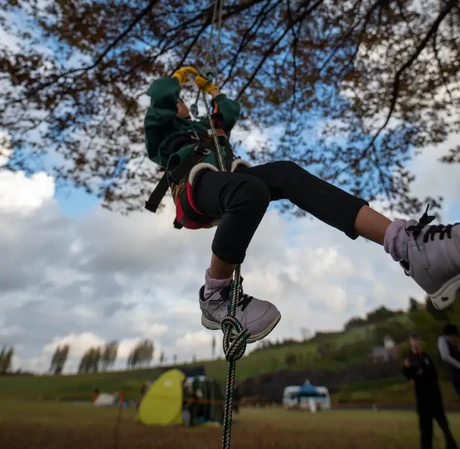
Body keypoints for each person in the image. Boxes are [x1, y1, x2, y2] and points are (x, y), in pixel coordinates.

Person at [144, 67, 460, 342]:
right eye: (178, 102)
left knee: (286, 173)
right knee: (250, 190)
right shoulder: (162, 130)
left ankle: (406, 244)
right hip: (195, 185)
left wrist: (212, 90)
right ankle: (216, 294)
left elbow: (229, 109)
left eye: (182, 100)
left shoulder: (210, 128)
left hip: (233, 180)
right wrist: (178, 78)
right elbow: (160, 95)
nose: (180, 103)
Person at [404, 333, 457, 449]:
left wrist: (419, 373)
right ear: (410, 343)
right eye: (413, 340)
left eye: (417, 340)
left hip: (434, 397)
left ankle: (451, 446)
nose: (415, 342)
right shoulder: (409, 359)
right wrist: (415, 372)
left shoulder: (427, 356)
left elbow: (431, 374)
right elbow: (409, 374)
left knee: (444, 425)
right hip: (422, 399)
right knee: (425, 429)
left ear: (420, 342)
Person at [438, 324, 460, 397]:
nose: (456, 338)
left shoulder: (453, 343)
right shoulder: (443, 340)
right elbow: (445, 356)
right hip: (455, 372)